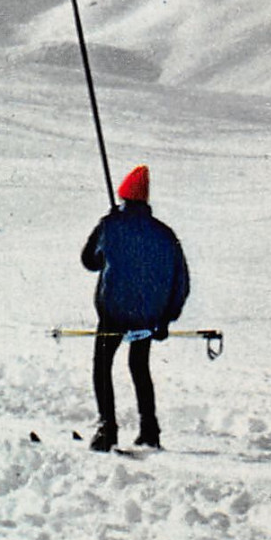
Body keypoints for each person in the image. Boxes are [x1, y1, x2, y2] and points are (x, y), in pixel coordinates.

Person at [80, 165, 190, 452]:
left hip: (112, 314)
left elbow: (89, 261)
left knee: (102, 367)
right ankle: (149, 430)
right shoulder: (165, 234)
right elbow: (181, 281)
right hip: (148, 317)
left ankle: (108, 428)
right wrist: (166, 319)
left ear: (123, 198)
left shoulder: (110, 226)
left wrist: (106, 236)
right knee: (139, 367)